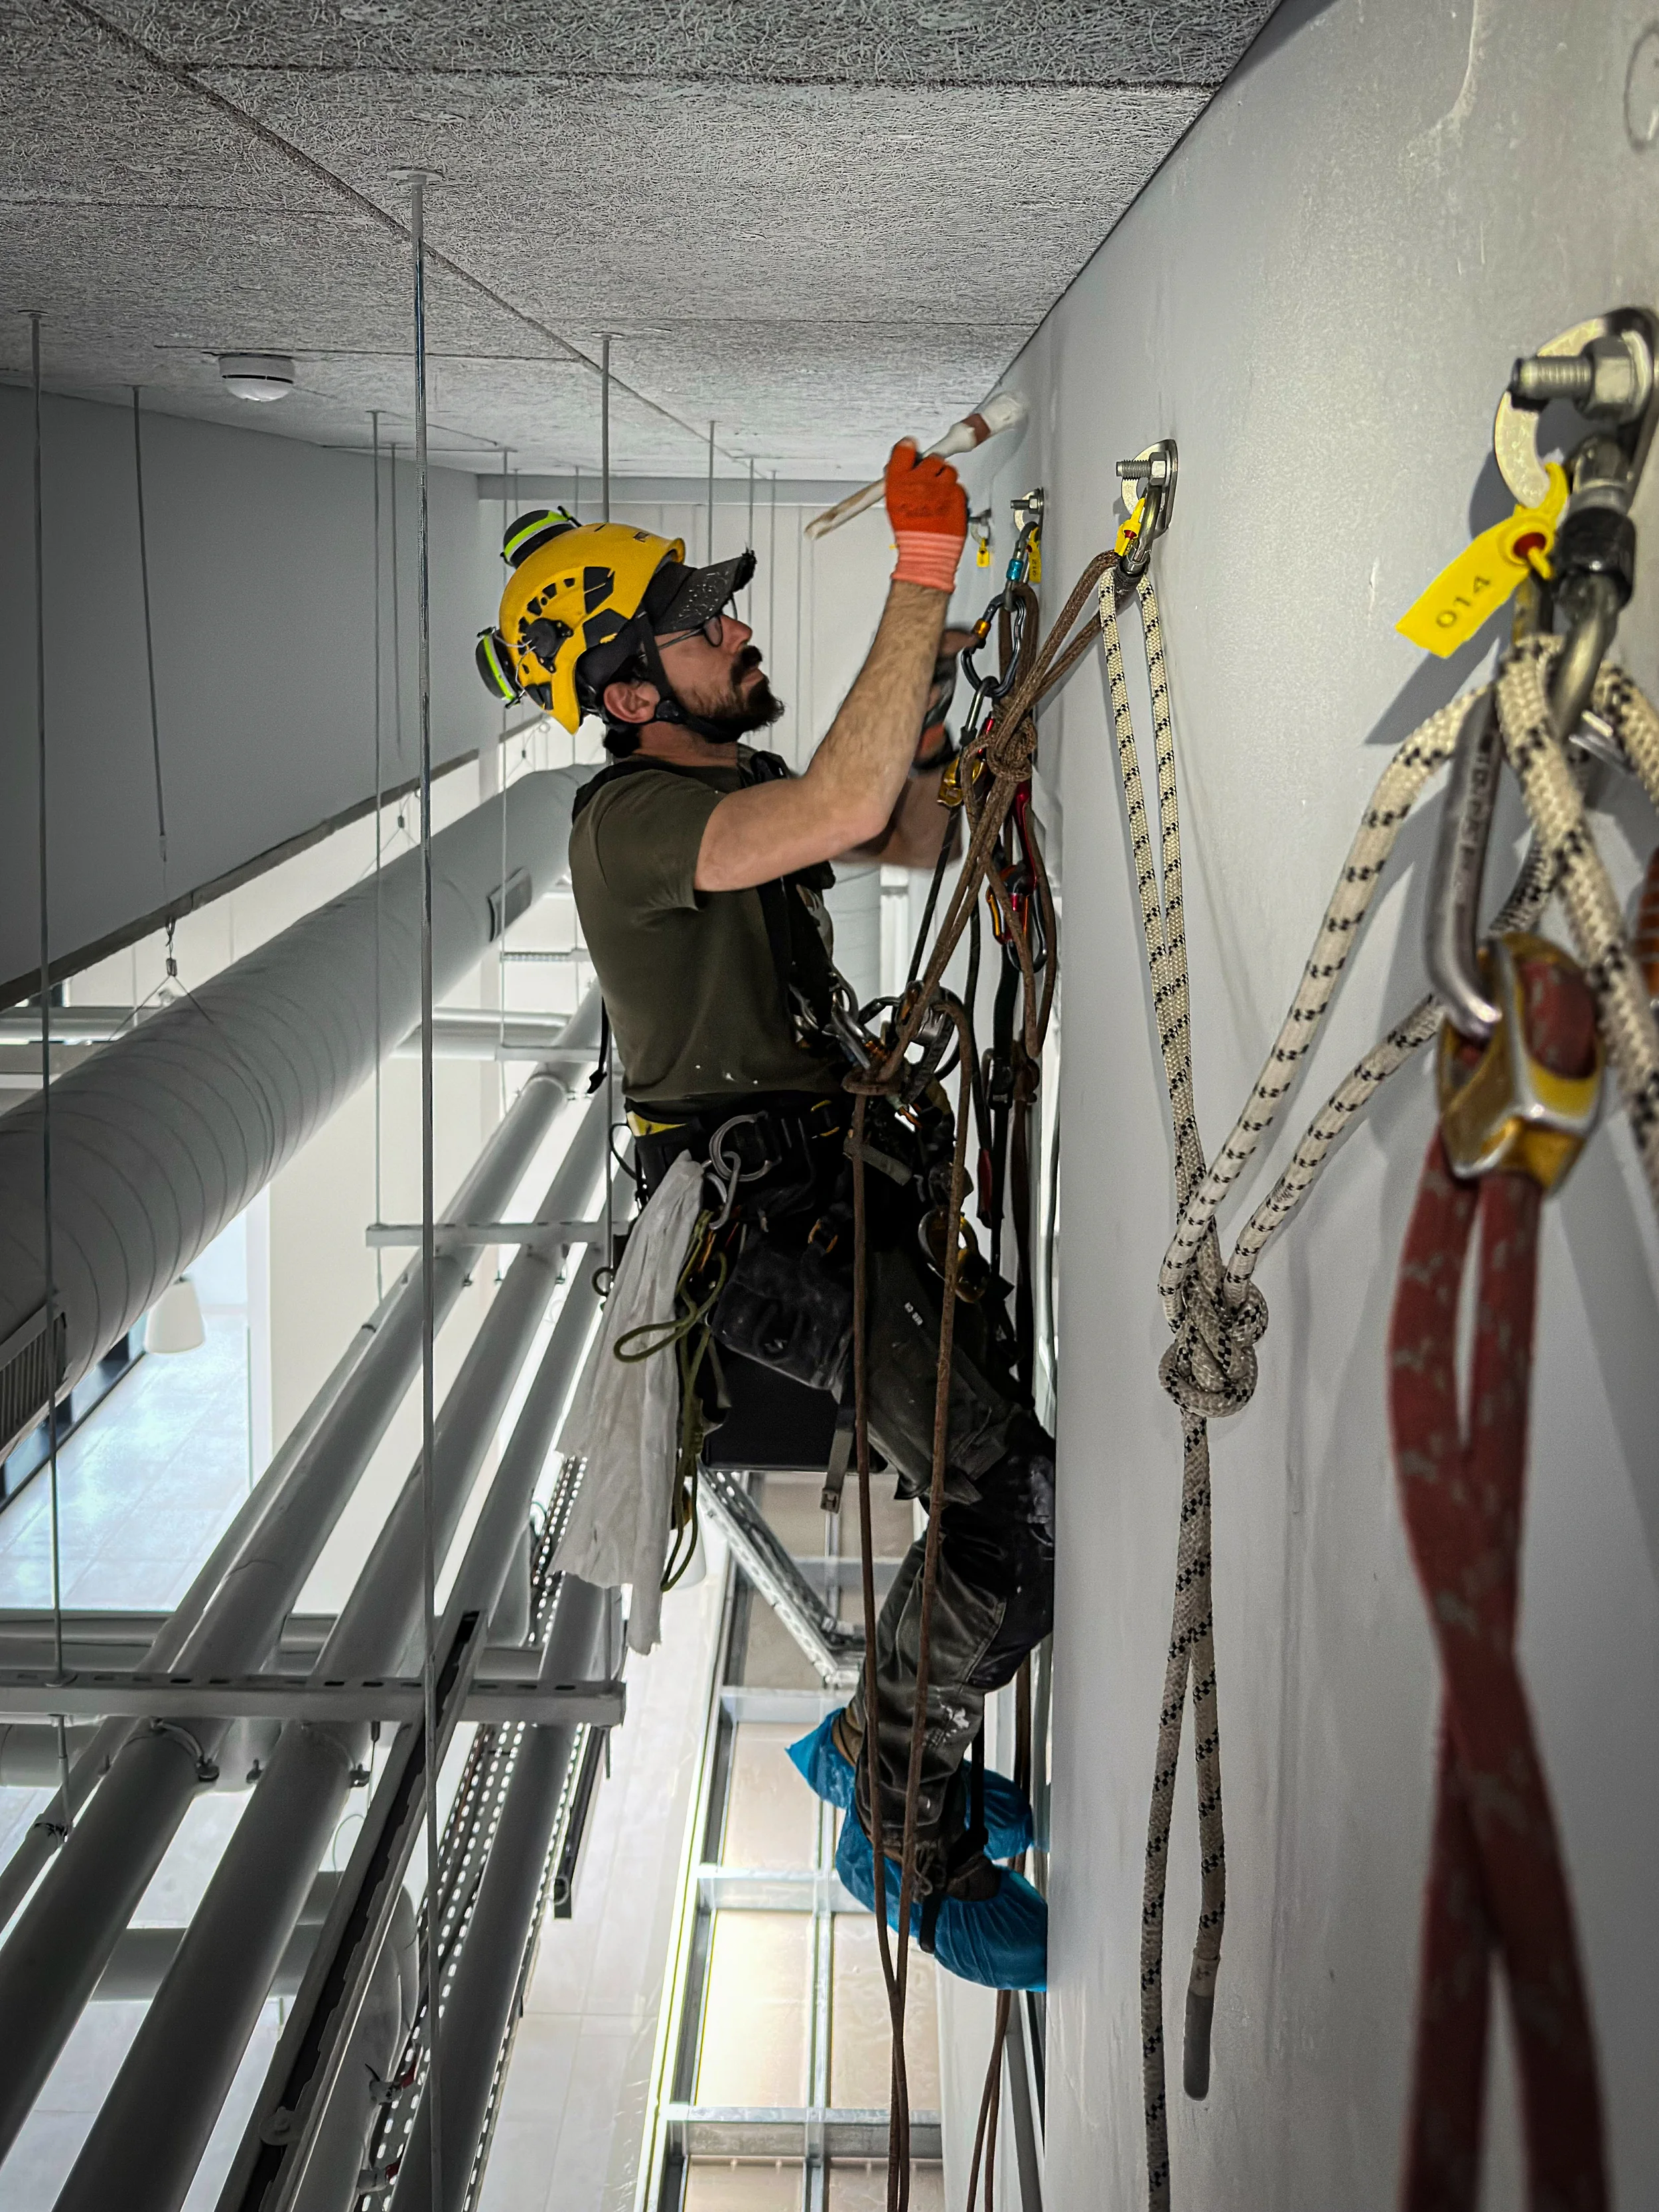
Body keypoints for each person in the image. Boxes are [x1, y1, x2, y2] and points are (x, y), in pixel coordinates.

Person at [476, 443, 1053, 1987]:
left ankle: (877, 1744)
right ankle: (888, 1802)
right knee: (1013, 1511)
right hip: (767, 1228)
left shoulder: (732, 798)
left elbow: (911, 826)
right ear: (626, 695)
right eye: (701, 625)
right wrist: (919, 573)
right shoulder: (628, 826)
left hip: (817, 1199)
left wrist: (963, 710)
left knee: (1000, 1493)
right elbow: (866, 796)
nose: (738, 633)